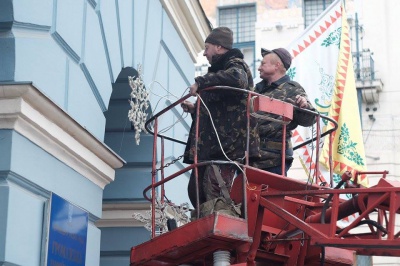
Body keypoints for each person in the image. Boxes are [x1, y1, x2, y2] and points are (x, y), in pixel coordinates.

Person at [181, 27, 260, 212]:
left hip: (227, 146)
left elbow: (237, 79)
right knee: (196, 190)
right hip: (214, 145)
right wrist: (195, 109)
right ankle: (210, 219)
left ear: (218, 47)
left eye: (207, 47)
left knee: (213, 187)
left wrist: (201, 82)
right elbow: (219, 108)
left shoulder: (235, 64)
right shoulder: (219, 72)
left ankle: (222, 218)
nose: (204, 53)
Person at [252, 47, 316, 175]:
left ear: (277, 66)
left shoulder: (292, 89)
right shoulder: (256, 90)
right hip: (251, 156)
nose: (259, 68)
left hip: (274, 159)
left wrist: (303, 106)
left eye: (263, 63)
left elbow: (311, 119)